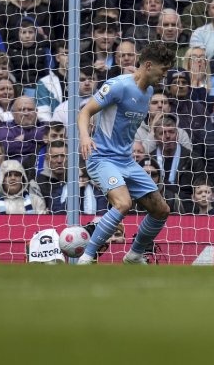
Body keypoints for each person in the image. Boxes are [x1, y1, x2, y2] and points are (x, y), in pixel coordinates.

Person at [76, 41, 177, 265]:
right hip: (101, 158)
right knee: (123, 204)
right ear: (148, 65)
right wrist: (84, 137)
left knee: (161, 210)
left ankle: (134, 255)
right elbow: (85, 112)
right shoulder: (118, 86)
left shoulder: (148, 91)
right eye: (164, 69)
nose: (165, 75)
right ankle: (87, 257)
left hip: (126, 161)